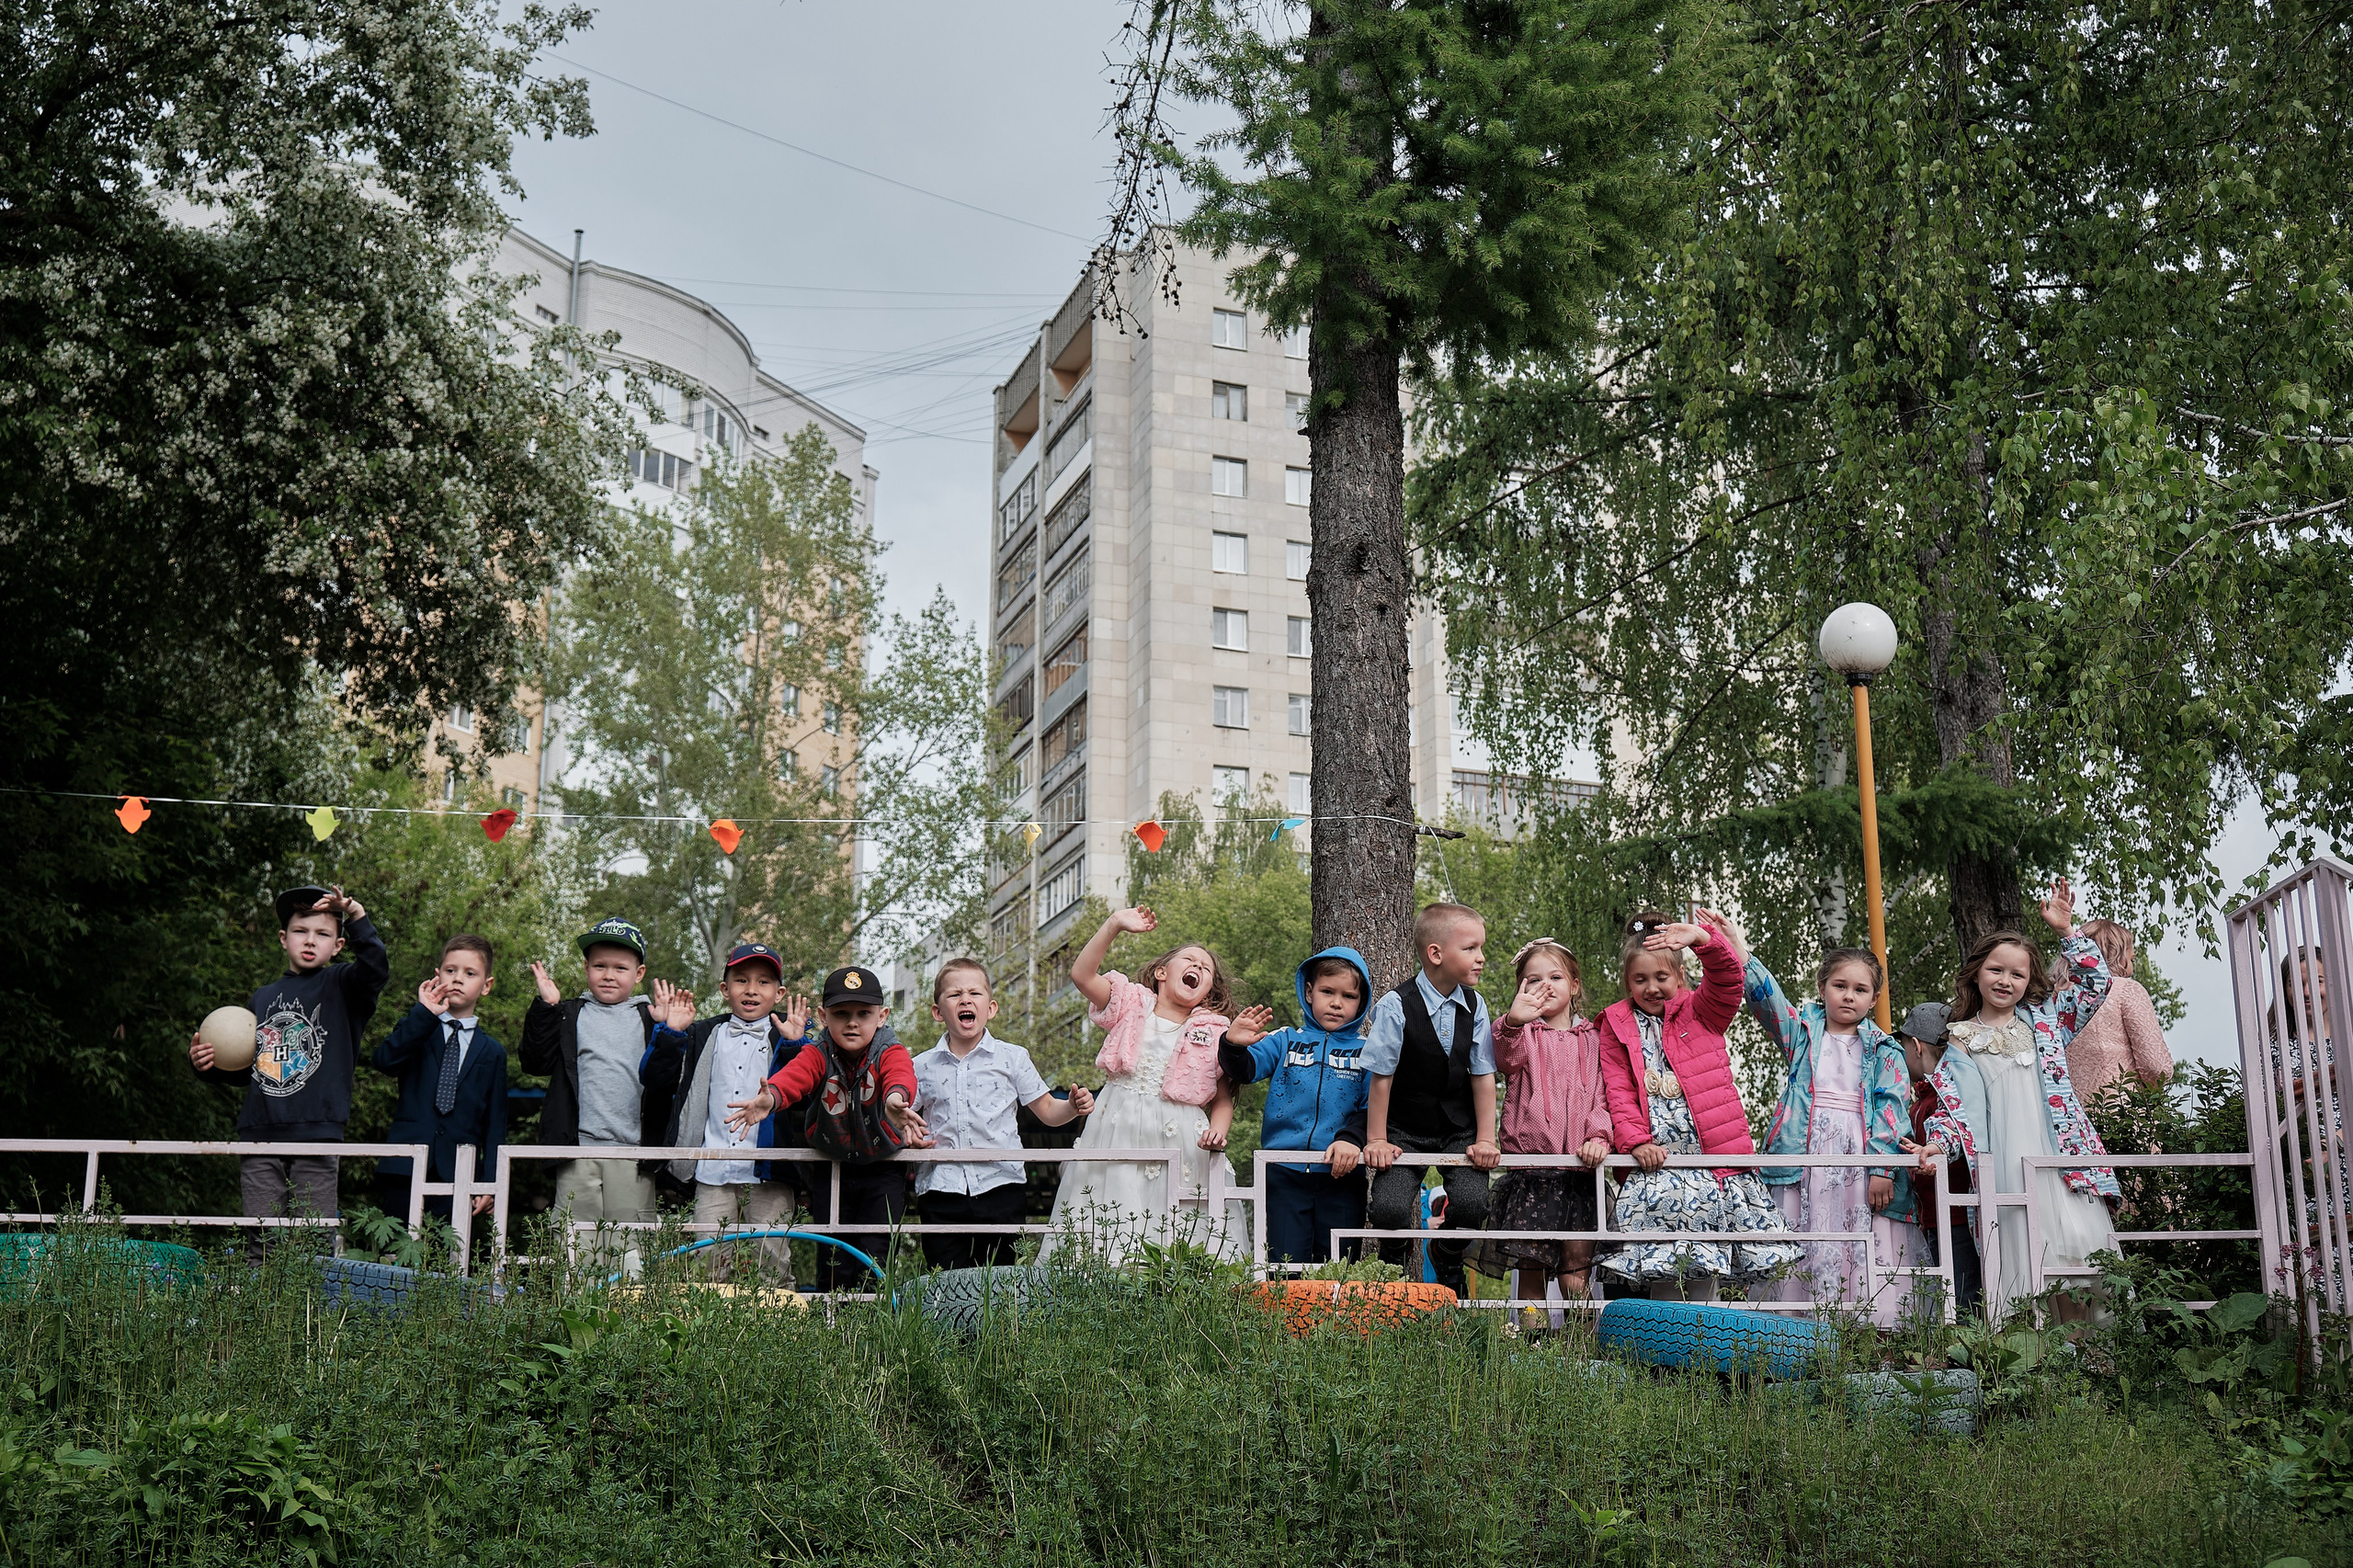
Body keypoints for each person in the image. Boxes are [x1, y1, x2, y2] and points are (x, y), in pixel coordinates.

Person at [1903, 880, 2119, 1324]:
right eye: (1996, 970)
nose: (2005, 980)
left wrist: (2066, 931)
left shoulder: (2047, 1022)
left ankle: (2098, 1366)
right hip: (2002, 1168)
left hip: (2058, 1163)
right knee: (2021, 1265)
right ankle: (2034, 1369)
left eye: (2017, 974)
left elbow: (2098, 982)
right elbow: (1954, 1110)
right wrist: (1936, 1147)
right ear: (1976, 972)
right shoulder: (1959, 1041)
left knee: (2079, 1258)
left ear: (2029, 981)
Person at [1594, 910, 1800, 1302]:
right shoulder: (1616, 1024)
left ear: (1680, 978)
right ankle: (1662, 1353)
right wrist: (1636, 1142)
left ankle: (1703, 1354)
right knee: (1662, 1265)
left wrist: (1703, 940)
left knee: (1708, 1264)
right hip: (1658, 1164)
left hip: (1711, 1163)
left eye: (1661, 978)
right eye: (1640, 980)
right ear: (1627, 983)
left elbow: (1729, 979)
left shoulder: (1702, 1011)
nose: (1652, 987)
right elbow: (1617, 1090)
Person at [190, 885, 390, 1258]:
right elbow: (251, 1069)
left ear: (339, 945)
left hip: (316, 1135)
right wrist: (207, 1065)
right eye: (301, 931)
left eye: (323, 933)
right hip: (260, 1135)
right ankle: (254, 1315)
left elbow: (376, 968)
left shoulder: (345, 985)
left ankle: (312, 1317)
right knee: (260, 1241)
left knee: (312, 1243)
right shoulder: (262, 998)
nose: (310, 941)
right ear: (284, 939)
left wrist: (357, 914)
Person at [1043, 906, 1241, 1259]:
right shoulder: (1130, 1002)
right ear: (1162, 972)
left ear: (1209, 990)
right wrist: (1114, 925)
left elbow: (1223, 1097)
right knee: (1109, 1210)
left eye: (1205, 968)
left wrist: (1219, 1132)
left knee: (1179, 1222)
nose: (1197, 966)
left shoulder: (1215, 1031)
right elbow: (1082, 975)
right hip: (1116, 1123)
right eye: (1189, 960)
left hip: (1182, 1135)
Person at [1746, 945, 1926, 1325]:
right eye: (1839, 985)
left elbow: (1892, 1109)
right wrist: (1741, 954)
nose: (1849, 995)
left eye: (1860, 989)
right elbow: (1769, 1003)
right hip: (1807, 1154)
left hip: (1860, 1159)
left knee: (1863, 1229)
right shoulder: (1803, 1034)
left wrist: (1882, 1169)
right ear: (1822, 987)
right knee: (1805, 1228)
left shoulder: (1885, 1050)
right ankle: (1793, 1325)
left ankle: (1870, 1328)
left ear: (1875, 999)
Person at [726, 964, 929, 1290]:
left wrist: (895, 1100)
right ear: (823, 1016)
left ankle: (873, 1325)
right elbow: (798, 1075)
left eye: (864, 1013)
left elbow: (900, 1075)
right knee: (833, 1252)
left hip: (882, 1167)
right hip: (830, 1165)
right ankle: (832, 1325)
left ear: (882, 1016)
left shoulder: (890, 1051)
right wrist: (773, 1096)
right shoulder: (818, 1052)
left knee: (875, 1253)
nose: (852, 1022)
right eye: (841, 1013)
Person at [640, 942, 809, 1285]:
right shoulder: (701, 1033)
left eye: (763, 982)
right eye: (741, 980)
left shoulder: (792, 1037)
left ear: (779, 993)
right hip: (712, 1168)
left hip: (769, 1171)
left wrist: (793, 1047)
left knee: (772, 1260)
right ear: (724, 989)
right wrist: (671, 1033)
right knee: (707, 1263)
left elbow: (804, 1097)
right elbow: (655, 1080)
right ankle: (708, 1336)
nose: (751, 989)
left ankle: (775, 1331)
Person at [910, 959, 1093, 1270]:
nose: (965, 999)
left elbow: (1048, 1110)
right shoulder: (920, 1065)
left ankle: (1002, 1323)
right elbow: (903, 1120)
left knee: (1001, 1280)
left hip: (1001, 1186)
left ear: (991, 1008)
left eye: (974, 993)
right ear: (938, 1012)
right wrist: (906, 1133)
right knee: (945, 1279)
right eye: (954, 995)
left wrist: (1073, 1107)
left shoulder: (1013, 1057)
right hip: (941, 1188)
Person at [1471, 938, 1613, 1331]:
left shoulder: (1594, 1040)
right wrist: (1515, 1019)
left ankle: (1580, 1349)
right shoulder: (1519, 1033)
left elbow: (1604, 1096)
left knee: (1575, 1273)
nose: (1546, 986)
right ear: (1521, 989)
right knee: (1531, 1269)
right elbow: (1505, 1057)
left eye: (1555, 977)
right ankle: (1532, 1347)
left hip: (1580, 1176)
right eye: (1533, 980)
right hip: (1532, 1174)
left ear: (1575, 985)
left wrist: (1599, 1138)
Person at [1363, 903, 1501, 1301]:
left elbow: (1483, 1077)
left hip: (1459, 1129)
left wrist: (1486, 1138)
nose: (1482, 957)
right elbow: (1381, 1079)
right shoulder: (1396, 1005)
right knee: (1388, 1209)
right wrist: (1376, 1139)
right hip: (1404, 1128)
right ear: (1436, 954)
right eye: (1472, 948)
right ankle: (1395, 1257)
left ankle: (1446, 1250)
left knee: (1475, 1205)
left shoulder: (1475, 1006)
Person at [519, 917, 665, 1272]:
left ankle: (629, 1323)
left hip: (633, 1153)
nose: (609, 975)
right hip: (578, 1151)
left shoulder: (651, 1017)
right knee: (575, 1252)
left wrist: (668, 1030)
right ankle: (575, 1322)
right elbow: (534, 1061)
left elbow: (669, 1081)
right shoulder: (569, 1013)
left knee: (631, 1256)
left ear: (639, 972)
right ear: (586, 968)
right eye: (599, 966)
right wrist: (547, 1007)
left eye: (620, 967)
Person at [1218, 947, 1376, 1268]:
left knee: (1338, 1269)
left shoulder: (1368, 1051)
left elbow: (1373, 1108)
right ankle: (1282, 1321)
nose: (1336, 1002)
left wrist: (1350, 1139)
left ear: (1363, 1002)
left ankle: (1334, 1321)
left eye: (1349, 996)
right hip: (1284, 1170)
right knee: (1285, 1265)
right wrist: (1233, 1044)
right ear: (1309, 991)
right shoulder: (1284, 1040)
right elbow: (1244, 1070)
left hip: (1342, 1174)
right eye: (1327, 991)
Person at [370, 934, 506, 1229]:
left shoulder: (493, 1052)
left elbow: (495, 1125)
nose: (458, 979)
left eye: (470, 973)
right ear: (437, 975)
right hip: (404, 1165)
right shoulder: (418, 1026)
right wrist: (423, 1013)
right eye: (450, 970)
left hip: (460, 1172)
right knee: (395, 1259)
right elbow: (384, 1061)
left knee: (450, 1261)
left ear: (486, 986)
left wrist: (489, 1182)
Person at [1898, 1002, 1982, 1317]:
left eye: (1905, 1046)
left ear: (1916, 1047)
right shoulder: (1923, 1100)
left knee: (1962, 1295)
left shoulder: (1943, 1099)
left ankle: (1968, 1355)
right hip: (1934, 1217)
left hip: (1956, 1218)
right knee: (1945, 1292)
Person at [2063, 919, 2175, 1103]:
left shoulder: (2056, 996)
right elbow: (2156, 1066)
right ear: (2117, 956)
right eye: (2131, 959)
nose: (2132, 967)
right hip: (2118, 1113)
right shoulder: (2127, 990)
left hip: (2066, 1117)